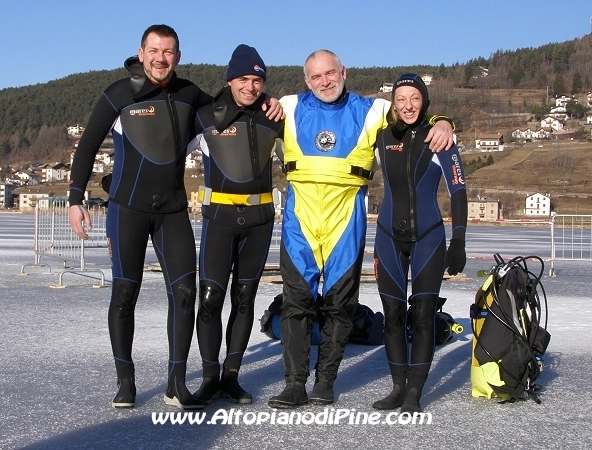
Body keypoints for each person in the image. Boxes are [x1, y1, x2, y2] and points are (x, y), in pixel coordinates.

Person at [68, 25, 282, 410]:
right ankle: (125, 381)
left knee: (185, 295)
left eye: (168, 52)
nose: (160, 58)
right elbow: (87, 146)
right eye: (154, 50)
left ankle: (176, 383)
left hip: (172, 210)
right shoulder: (119, 93)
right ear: (141, 52)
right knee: (125, 293)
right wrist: (74, 197)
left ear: (177, 56)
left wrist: (266, 99)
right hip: (127, 208)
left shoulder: (189, 94)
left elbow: (231, 102)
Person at [268, 50, 455, 409]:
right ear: (306, 80)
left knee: (340, 304)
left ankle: (325, 382)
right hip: (300, 218)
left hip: (345, 217)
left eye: (330, 73)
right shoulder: (288, 106)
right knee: (297, 302)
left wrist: (443, 121)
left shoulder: (373, 110)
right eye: (316, 76)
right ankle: (294, 384)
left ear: (344, 72)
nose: (324, 81)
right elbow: (246, 111)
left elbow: (412, 110)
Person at [188, 44, 284, 405]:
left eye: (257, 80)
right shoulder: (205, 117)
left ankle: (231, 376)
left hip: (259, 220)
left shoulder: (274, 117)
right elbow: (166, 153)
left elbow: (299, 161)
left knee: (244, 298)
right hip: (219, 218)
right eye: (243, 79)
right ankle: (209, 377)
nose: (250, 86)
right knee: (210, 297)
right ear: (230, 80)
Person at [371, 73, 467, 414]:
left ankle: (415, 391)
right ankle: (398, 387)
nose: (408, 105)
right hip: (387, 237)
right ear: (393, 104)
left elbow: (458, 191)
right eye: (401, 99)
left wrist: (459, 240)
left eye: (414, 98)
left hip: (429, 236)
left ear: (424, 101)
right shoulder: (381, 137)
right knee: (393, 315)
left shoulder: (441, 139)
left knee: (424, 315)